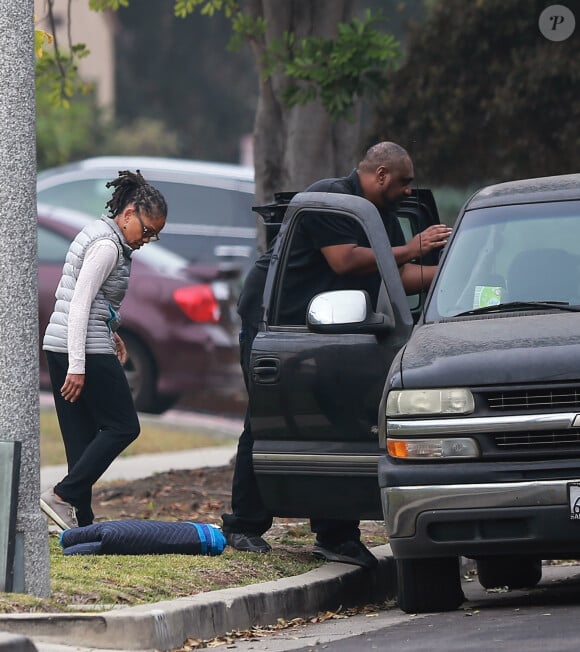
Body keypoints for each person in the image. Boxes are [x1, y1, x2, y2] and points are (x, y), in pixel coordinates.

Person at [222, 141, 452, 568]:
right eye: (403, 182)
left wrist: (457, 273)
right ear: (380, 174)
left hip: (331, 323)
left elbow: (396, 274)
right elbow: (346, 261)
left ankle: (335, 535)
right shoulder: (332, 199)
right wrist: (413, 247)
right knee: (267, 415)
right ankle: (243, 525)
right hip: (276, 318)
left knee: (330, 420)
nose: (407, 190)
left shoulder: (380, 214)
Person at [40, 170, 168, 531]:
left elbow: (93, 302)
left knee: (81, 439)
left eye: (154, 235)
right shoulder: (107, 245)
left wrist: (113, 333)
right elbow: (80, 303)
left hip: (61, 343)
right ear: (128, 214)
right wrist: (78, 366)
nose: (147, 239)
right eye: (145, 230)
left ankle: (80, 521)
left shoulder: (100, 235)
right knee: (123, 426)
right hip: (81, 348)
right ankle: (62, 497)